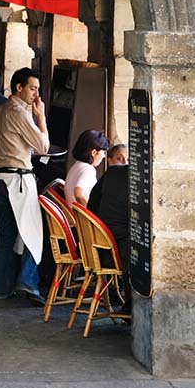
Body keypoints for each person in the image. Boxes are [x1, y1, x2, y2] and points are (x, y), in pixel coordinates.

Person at [0, 67, 49, 304]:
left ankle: (0, 287)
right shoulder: (18, 112)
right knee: (32, 233)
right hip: (17, 180)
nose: (35, 94)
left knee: (6, 235)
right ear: (19, 87)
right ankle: (28, 282)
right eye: (32, 88)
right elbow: (42, 147)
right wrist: (42, 118)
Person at [88, 144, 131, 311]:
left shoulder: (110, 175)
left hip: (98, 246)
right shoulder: (124, 178)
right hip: (110, 253)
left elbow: (92, 206)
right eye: (120, 158)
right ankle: (131, 305)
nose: (124, 162)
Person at [65, 129, 110, 206]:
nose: (104, 156)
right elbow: (79, 193)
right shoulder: (88, 170)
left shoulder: (77, 165)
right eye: (103, 152)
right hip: (80, 216)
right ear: (94, 153)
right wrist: (91, 211)